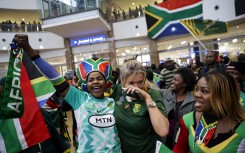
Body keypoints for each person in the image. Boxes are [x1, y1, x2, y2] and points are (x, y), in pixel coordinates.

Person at [14, 34, 121, 153]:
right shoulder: (79, 98)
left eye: (99, 79)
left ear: (106, 81)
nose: (95, 82)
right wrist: (28, 48)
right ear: (85, 83)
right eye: (91, 80)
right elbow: (53, 75)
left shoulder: (113, 102)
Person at [173, 71, 245, 153]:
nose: (196, 94)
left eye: (205, 91)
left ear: (223, 95)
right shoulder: (188, 120)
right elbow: (179, 150)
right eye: (196, 89)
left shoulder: (242, 127)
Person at [109, 59, 169, 153]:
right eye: (131, 83)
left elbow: (163, 131)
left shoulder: (153, 94)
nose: (136, 87)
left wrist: (147, 98)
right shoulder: (117, 91)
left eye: (140, 82)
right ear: (123, 81)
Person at [162, 67, 196, 149]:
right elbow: (152, 90)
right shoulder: (166, 94)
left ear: (185, 84)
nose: (172, 81)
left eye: (176, 80)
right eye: (173, 79)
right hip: (165, 137)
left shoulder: (193, 101)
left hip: (181, 140)